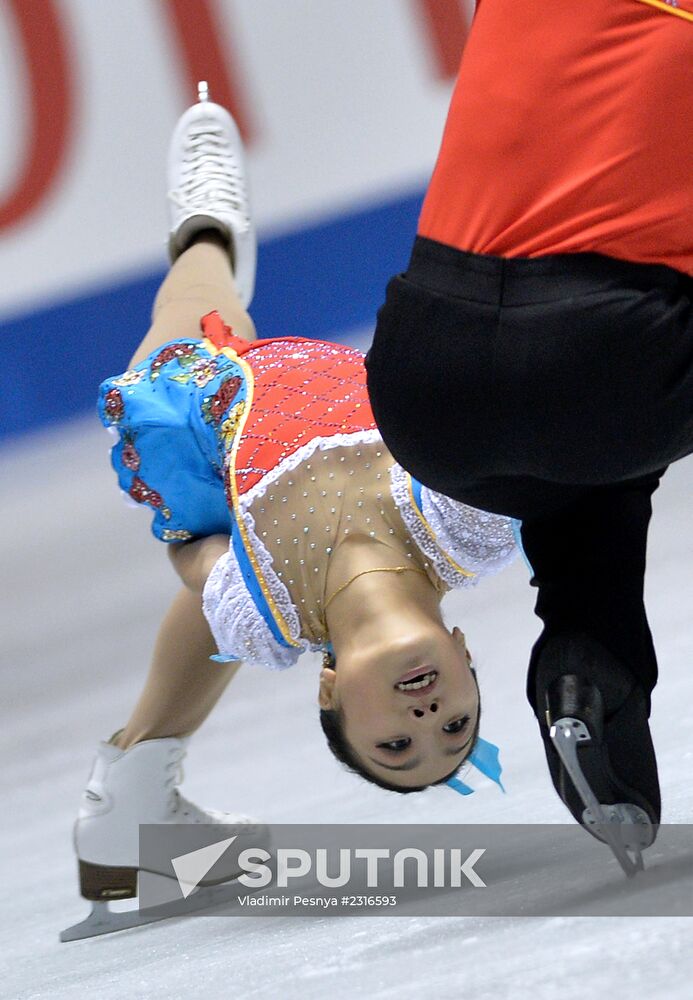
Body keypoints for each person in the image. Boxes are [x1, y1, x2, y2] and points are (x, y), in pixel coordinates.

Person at [73, 85, 515, 905]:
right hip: (343, 383)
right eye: (457, 726)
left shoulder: (265, 610)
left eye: (393, 747)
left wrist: (212, 525)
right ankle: (133, 802)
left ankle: (204, 228)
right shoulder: (466, 529)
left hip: (209, 405)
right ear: (465, 657)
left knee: (199, 293)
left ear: (330, 691)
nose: (426, 722)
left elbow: (192, 549)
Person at [366, 0, 693, 873]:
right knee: (602, 400)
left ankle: (587, 672)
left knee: (592, 474)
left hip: (419, 374)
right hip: (601, 355)